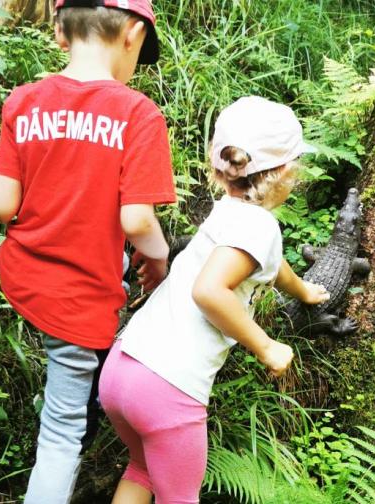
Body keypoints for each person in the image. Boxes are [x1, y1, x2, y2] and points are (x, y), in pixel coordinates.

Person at [0, 1, 175, 501]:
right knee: (62, 433)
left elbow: (2, 204)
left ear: (59, 32)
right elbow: (137, 220)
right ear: (133, 34)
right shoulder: (137, 113)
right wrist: (160, 260)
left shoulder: (24, 101)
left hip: (28, 280)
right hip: (80, 296)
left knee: (72, 387)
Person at [98, 96, 330, 504]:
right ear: (285, 172)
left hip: (122, 370)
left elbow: (269, 266)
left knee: (143, 470)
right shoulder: (260, 227)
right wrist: (267, 347)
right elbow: (208, 291)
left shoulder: (227, 211)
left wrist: (304, 290)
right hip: (168, 389)